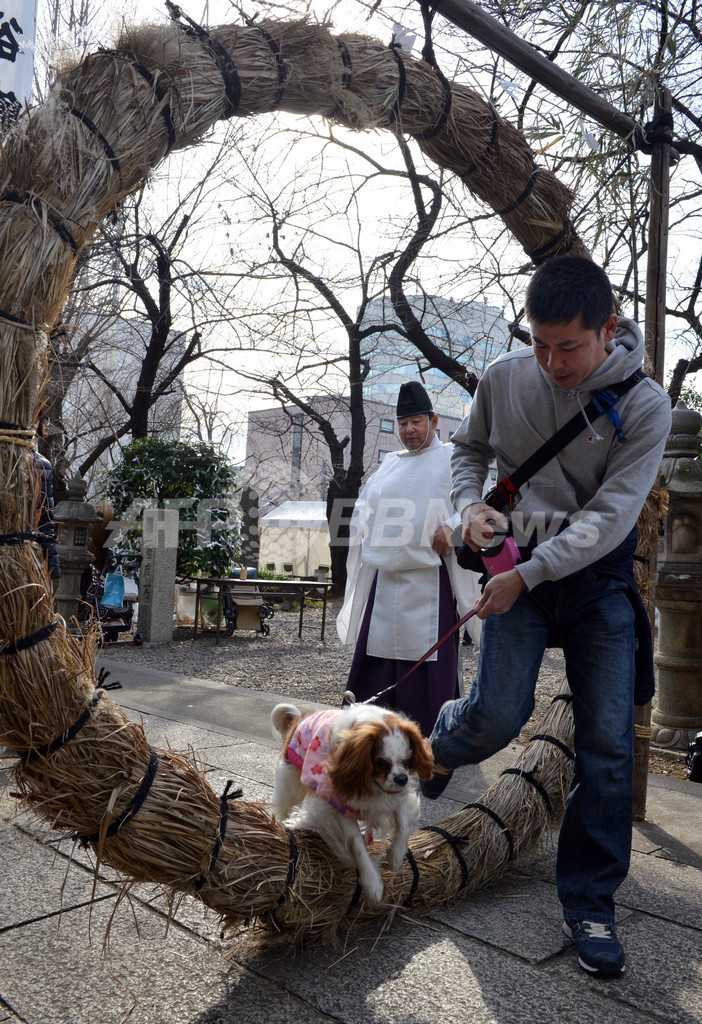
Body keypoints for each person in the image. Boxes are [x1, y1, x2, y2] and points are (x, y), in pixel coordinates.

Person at [421, 255, 672, 978]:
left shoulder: (647, 406)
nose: (552, 361)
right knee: (498, 716)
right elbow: (468, 450)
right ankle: (443, 741)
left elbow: (610, 517)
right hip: (518, 568)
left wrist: (527, 574)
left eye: (569, 346)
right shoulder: (503, 377)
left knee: (607, 746)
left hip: (595, 585)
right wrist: (469, 507)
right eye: (540, 343)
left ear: (608, 330)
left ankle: (591, 901)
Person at [337, 381, 481, 736]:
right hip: (386, 579)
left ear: (433, 420)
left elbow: (475, 501)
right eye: (403, 423)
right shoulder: (388, 465)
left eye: (416, 421)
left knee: (432, 662)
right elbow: (363, 511)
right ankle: (369, 732)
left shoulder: (452, 457)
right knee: (376, 656)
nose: (408, 430)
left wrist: (452, 525)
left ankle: (433, 735)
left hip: (432, 578)